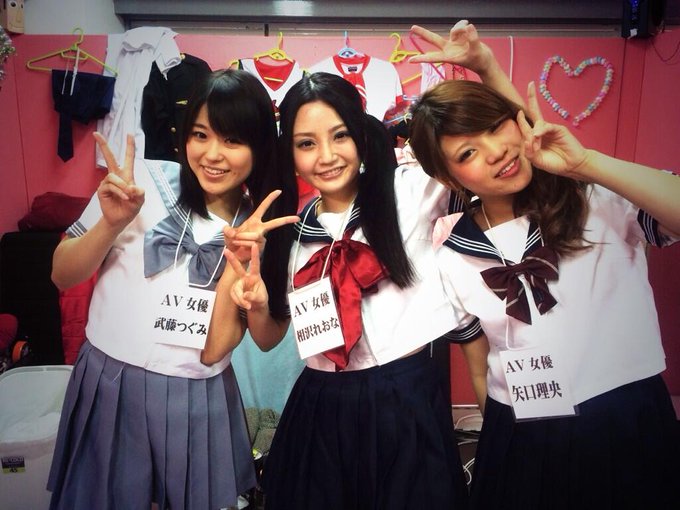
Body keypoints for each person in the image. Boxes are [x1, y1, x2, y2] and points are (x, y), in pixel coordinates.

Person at [223, 21, 520, 510]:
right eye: (306, 143)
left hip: (406, 398)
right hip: (322, 405)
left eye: (339, 136)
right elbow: (269, 336)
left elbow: (508, 148)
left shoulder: (413, 190)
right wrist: (254, 303)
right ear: (289, 152)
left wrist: (486, 69)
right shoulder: (287, 232)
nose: (326, 156)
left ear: (361, 135)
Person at [408, 78, 680, 509]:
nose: (496, 151)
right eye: (467, 153)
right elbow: (479, 367)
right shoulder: (451, 254)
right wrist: (505, 442)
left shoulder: (594, 198)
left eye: (495, 127)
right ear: (447, 176)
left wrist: (587, 164)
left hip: (623, 416)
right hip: (519, 427)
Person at [46, 69, 298, 510]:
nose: (213, 154)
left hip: (196, 394)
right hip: (109, 380)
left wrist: (240, 270)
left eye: (233, 140)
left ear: (259, 147)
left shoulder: (262, 227)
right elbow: (61, 275)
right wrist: (111, 224)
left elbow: (230, 346)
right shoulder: (139, 182)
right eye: (201, 134)